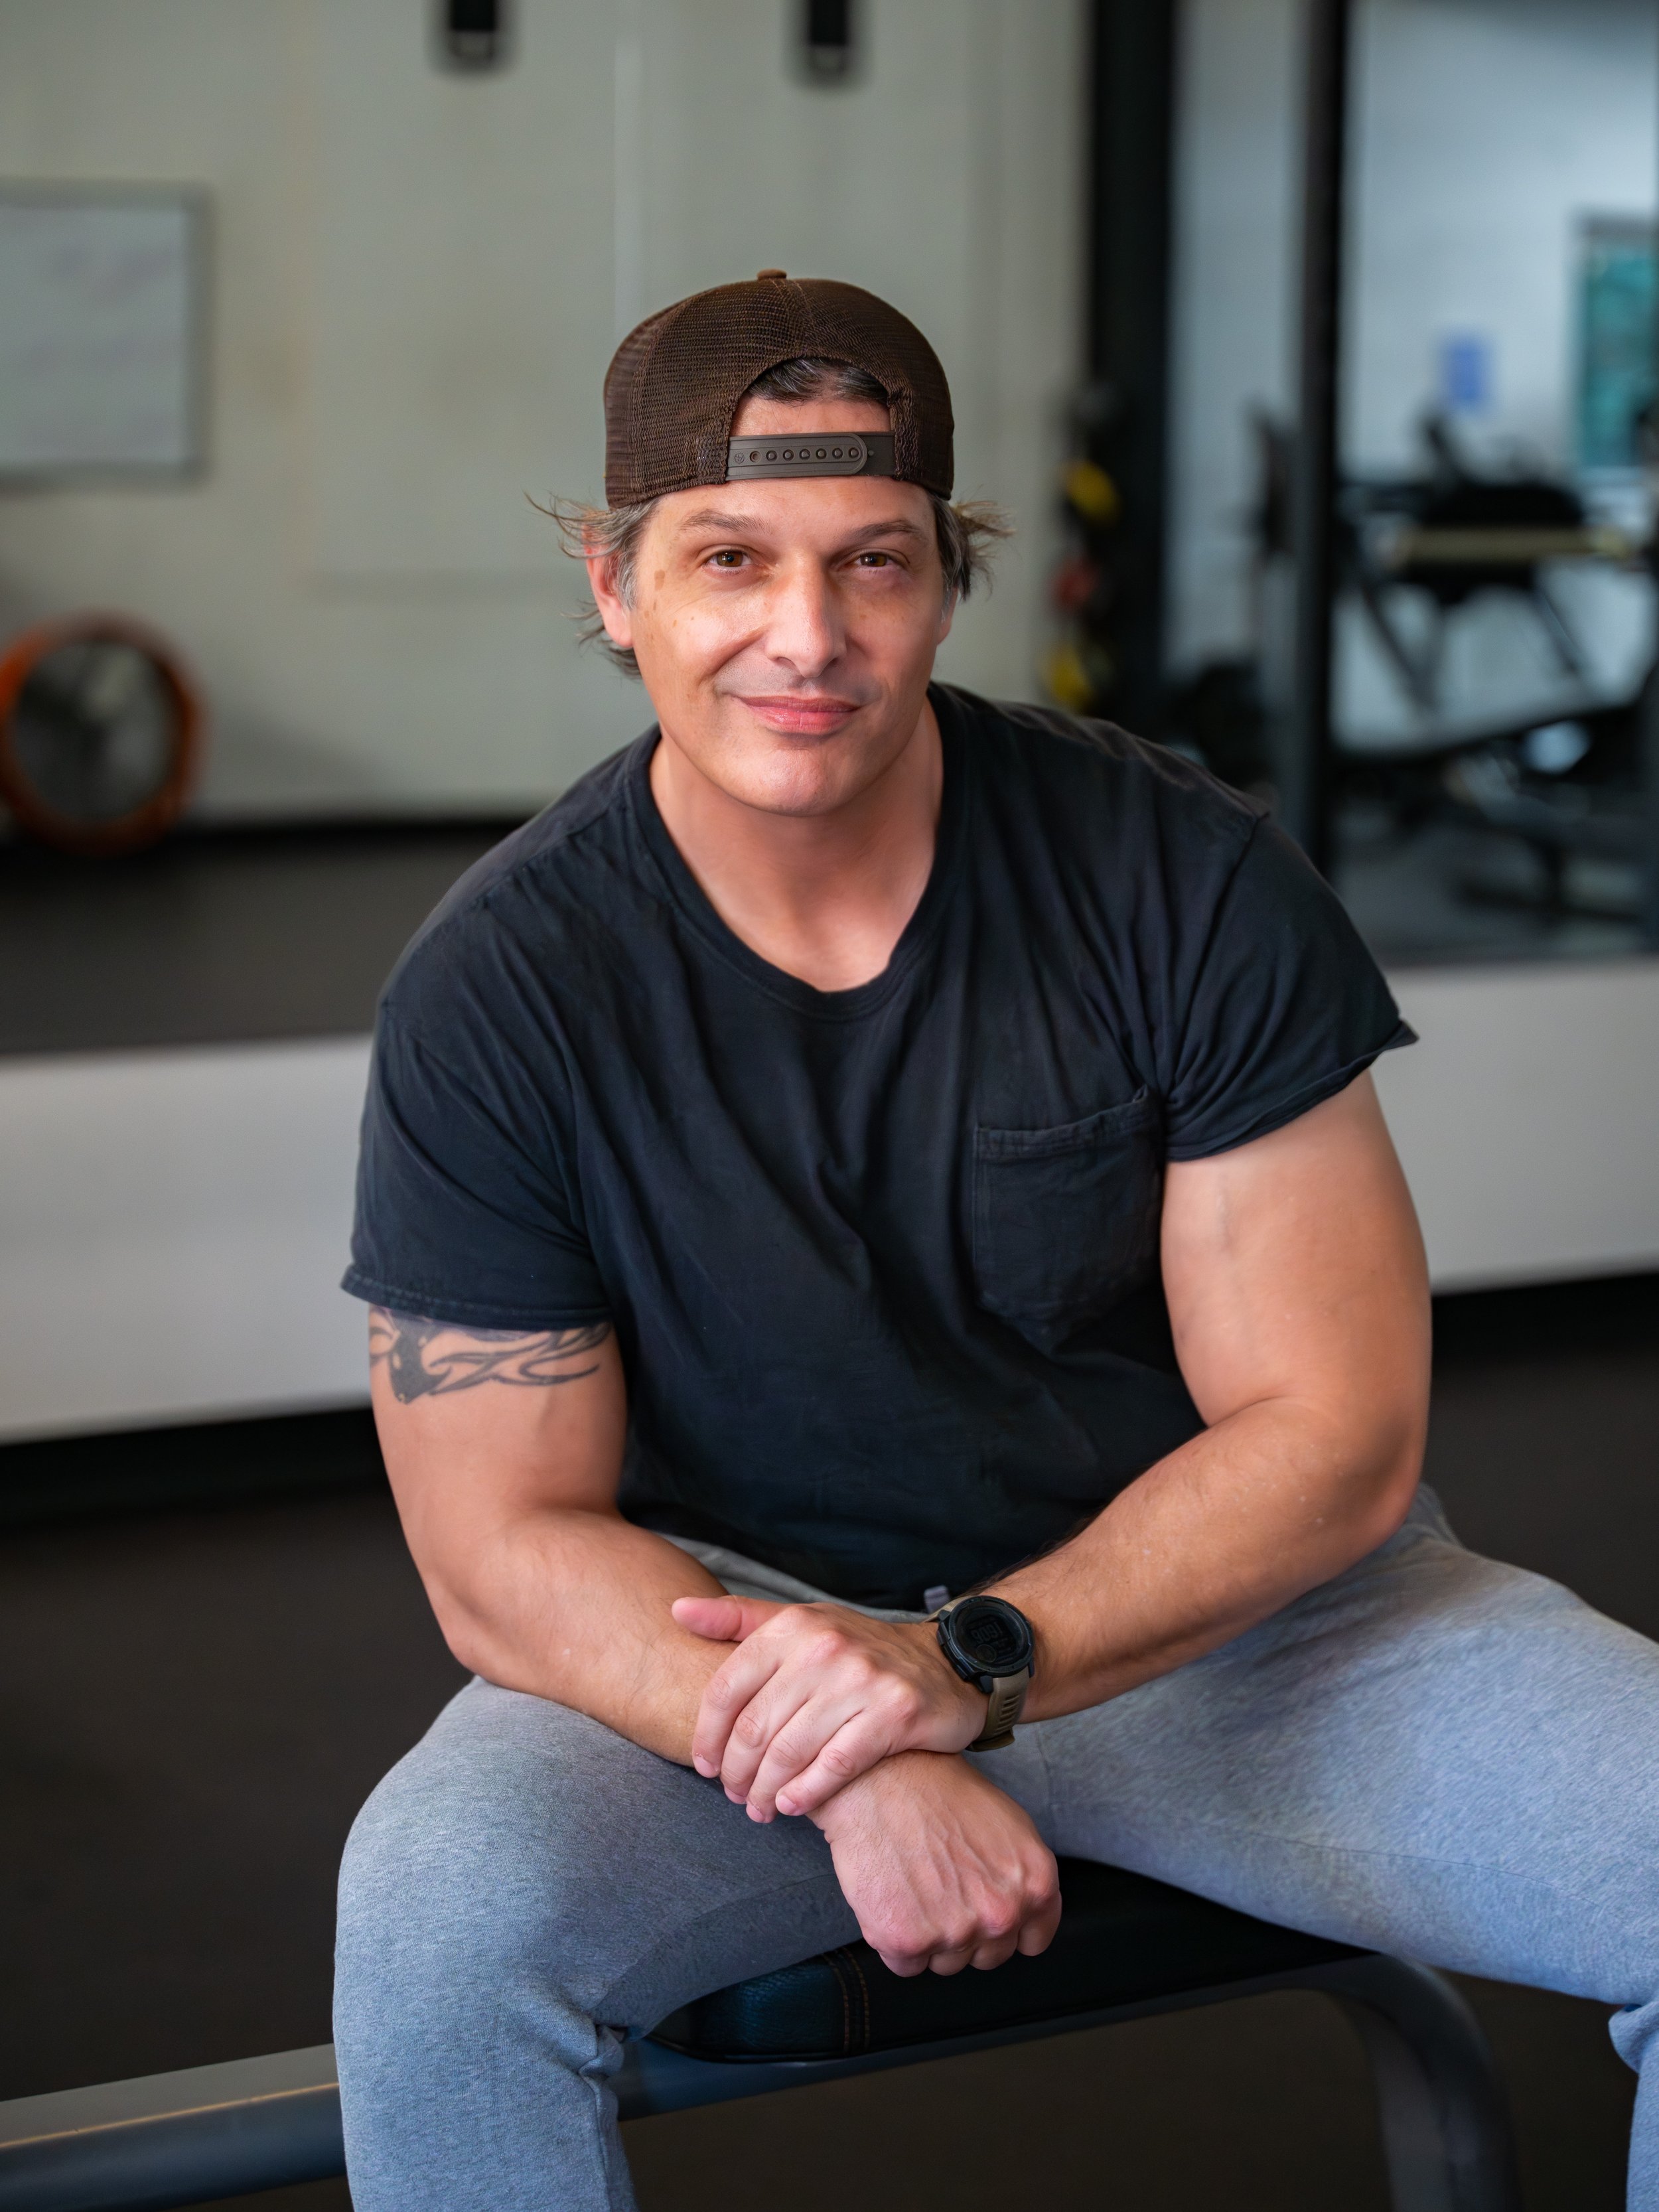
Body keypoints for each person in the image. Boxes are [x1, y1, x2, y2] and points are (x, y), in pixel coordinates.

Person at [334, 273, 1659, 2211]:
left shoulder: (1178, 874)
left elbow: (1333, 1426)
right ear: (618, 587)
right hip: (749, 1663)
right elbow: (500, 1549)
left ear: (948, 583)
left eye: (873, 561)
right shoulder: (502, 989)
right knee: (440, 1923)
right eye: (730, 560)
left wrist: (967, 1663)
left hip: (1229, 1633)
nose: (807, 635)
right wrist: (861, 1743)